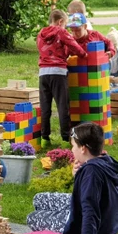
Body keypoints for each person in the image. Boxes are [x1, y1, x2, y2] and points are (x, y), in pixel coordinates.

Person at [27, 122, 118, 234]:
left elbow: (90, 209)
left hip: (99, 228)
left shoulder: (91, 171)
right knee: (39, 199)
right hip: (108, 219)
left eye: (73, 146)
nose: (72, 150)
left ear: (83, 149)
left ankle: (77, 229)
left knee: (32, 218)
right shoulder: (104, 160)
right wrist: (78, 176)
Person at [36, 8, 86, 146]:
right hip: (58, 72)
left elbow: (43, 50)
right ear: (61, 21)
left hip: (43, 73)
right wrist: (84, 54)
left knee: (45, 107)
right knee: (63, 106)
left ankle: (45, 138)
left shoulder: (40, 33)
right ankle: (65, 138)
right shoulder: (60, 31)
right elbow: (73, 44)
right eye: (65, 24)